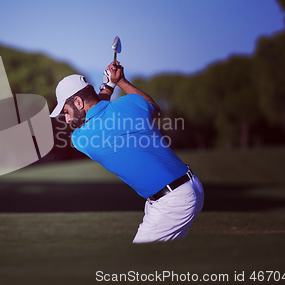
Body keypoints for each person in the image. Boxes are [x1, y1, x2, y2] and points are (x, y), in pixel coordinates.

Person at [50, 62, 204, 243]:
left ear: (77, 102)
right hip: (191, 186)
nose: (67, 119)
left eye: (66, 112)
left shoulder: (81, 138)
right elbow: (153, 107)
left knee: (137, 265)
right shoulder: (130, 103)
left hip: (172, 201)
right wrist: (120, 81)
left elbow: (99, 109)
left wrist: (108, 87)